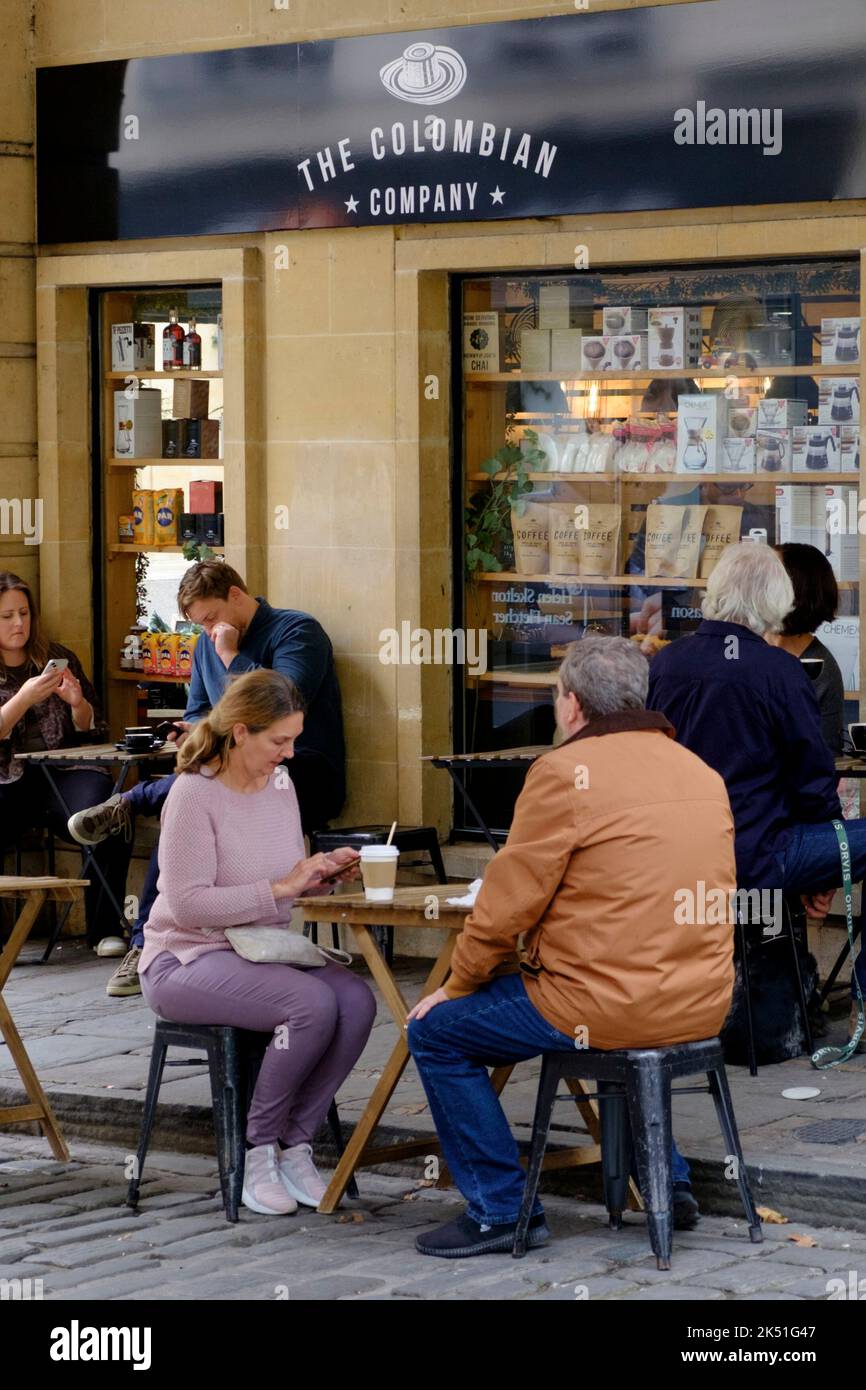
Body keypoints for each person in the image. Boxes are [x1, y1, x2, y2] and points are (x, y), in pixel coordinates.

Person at [406, 635, 736, 1258]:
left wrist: (458, 983)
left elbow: (506, 907)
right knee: (618, 1014)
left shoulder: (562, 773)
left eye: (558, 696)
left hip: (605, 1007)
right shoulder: (701, 770)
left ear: (574, 706)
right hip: (701, 1000)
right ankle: (667, 1180)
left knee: (437, 1032)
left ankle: (500, 1208)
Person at [138, 669, 375, 1216]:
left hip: (260, 950)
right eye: (279, 741)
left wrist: (319, 875)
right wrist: (279, 887)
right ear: (240, 732)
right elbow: (188, 903)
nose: (288, 754)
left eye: (293, 739)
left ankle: (296, 1146)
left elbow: (282, 890)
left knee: (357, 1002)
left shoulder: (281, 788)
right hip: (184, 958)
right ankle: (258, 1150)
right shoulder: (193, 795)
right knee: (310, 1004)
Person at [66, 561, 346, 999]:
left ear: (237, 595)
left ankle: (133, 804)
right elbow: (200, 711)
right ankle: (146, 943)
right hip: (227, 781)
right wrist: (189, 732)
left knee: (193, 794)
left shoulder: (298, 632)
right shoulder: (203, 646)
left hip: (301, 771)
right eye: (200, 623)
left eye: (211, 617)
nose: (208, 629)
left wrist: (231, 657)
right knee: (190, 803)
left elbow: (278, 707)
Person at [647, 541, 865, 1050]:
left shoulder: (666, 664)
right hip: (758, 857)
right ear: (774, 602)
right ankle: (863, 1004)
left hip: (679, 860)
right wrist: (826, 868)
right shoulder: (779, 671)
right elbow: (814, 784)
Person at [0, 571, 132, 952]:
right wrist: (23, 698)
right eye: (7, 616)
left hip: (64, 771)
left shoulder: (57, 656)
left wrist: (78, 704)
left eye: (24, 613)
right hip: (8, 779)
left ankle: (105, 930)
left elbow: (93, 729)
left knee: (111, 809)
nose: (19, 623)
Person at [770, 543, 845, 755]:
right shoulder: (742, 648)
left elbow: (824, 759)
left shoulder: (821, 671)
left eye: (768, 574)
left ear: (794, 590)